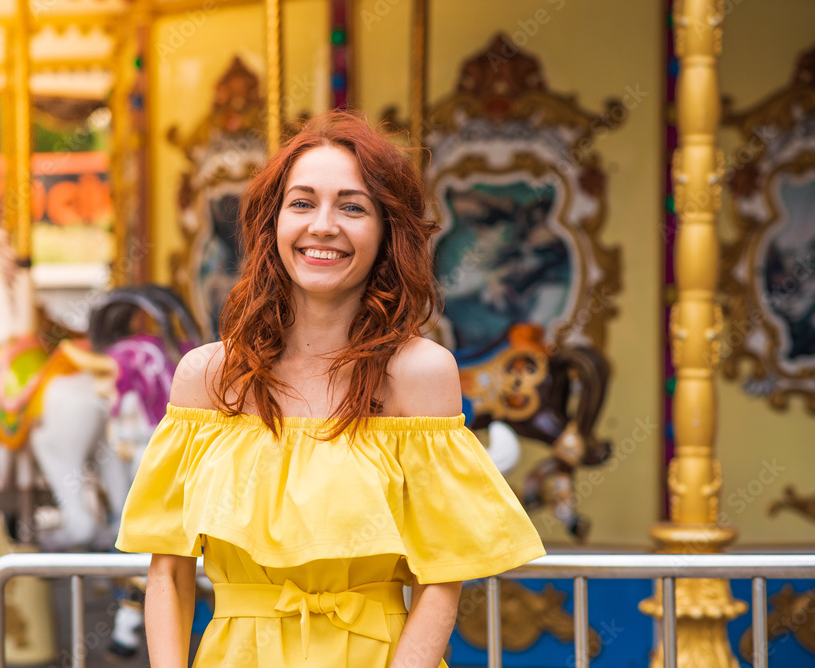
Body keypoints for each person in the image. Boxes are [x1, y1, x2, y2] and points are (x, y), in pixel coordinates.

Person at [115, 110, 545, 668]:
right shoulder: (207, 377)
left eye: (352, 206)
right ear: (271, 224)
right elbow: (167, 573)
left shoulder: (420, 374)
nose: (323, 225)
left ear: (387, 230)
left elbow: (443, 577)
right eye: (302, 203)